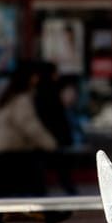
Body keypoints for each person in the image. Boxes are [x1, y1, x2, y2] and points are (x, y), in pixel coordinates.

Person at [0, 60, 64, 223]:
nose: (36, 78)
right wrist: (49, 143)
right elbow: (29, 125)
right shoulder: (21, 99)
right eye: (34, 75)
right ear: (27, 77)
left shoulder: (11, 96)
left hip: (9, 149)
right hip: (14, 150)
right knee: (28, 183)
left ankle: (48, 214)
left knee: (23, 185)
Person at [34, 60, 77, 195]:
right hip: (51, 134)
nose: (57, 75)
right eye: (55, 72)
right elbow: (56, 115)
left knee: (50, 165)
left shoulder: (40, 91)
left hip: (48, 134)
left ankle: (43, 191)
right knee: (58, 165)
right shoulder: (50, 90)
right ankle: (68, 190)